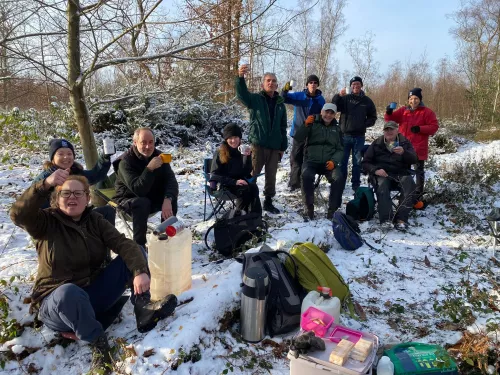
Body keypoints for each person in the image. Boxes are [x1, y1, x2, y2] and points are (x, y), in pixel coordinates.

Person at [10, 175, 177, 374]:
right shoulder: (45, 222)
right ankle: (99, 346)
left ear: (87, 198)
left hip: (91, 294)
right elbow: (18, 215)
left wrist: (139, 272)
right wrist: (44, 185)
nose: (72, 197)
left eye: (78, 193)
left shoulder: (95, 220)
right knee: (69, 294)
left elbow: (123, 244)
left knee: (135, 251)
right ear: (57, 197)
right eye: (66, 193)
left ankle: (143, 309)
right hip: (57, 304)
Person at [113, 127, 179, 247]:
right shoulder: (125, 162)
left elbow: (171, 181)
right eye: (143, 142)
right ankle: (139, 246)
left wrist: (168, 199)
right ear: (135, 143)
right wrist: (149, 169)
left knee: (170, 198)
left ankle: (164, 237)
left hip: (150, 196)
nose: (148, 147)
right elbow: (139, 190)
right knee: (142, 202)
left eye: (151, 142)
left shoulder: (159, 156)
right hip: (127, 200)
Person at [235, 65, 288, 214]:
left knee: (271, 177)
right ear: (263, 84)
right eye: (268, 81)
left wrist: (283, 147)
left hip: (274, 147)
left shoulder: (280, 104)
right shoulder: (255, 99)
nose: (271, 83)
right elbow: (242, 95)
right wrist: (240, 77)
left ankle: (268, 201)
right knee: (252, 174)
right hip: (258, 145)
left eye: (273, 81)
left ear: (277, 85)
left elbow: (283, 127)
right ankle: (247, 201)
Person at [33, 138, 116, 224]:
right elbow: (32, 202)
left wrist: (105, 157)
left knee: (108, 211)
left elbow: (96, 175)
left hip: (79, 217)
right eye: (60, 154)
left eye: (69, 154)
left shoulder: (76, 172)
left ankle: (106, 237)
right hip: (57, 223)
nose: (66, 157)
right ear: (52, 159)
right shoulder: (45, 178)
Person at [385, 88, 439, 204]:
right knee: (404, 172)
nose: (413, 101)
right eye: (411, 98)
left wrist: (420, 128)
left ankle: (418, 196)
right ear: (408, 100)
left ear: (420, 99)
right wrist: (389, 112)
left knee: (419, 172)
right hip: (404, 148)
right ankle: (405, 194)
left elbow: (434, 127)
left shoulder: (427, 112)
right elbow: (390, 120)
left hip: (418, 148)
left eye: (416, 98)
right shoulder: (403, 111)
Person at [361, 121, 419, 230]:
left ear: (397, 130)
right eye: (386, 129)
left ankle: (401, 219)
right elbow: (365, 163)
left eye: (391, 129)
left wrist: (404, 153)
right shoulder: (377, 143)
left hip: (400, 173)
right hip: (382, 174)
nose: (389, 132)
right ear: (383, 131)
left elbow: (414, 159)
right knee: (382, 185)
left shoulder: (405, 143)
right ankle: (386, 219)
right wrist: (375, 170)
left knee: (409, 183)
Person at [294, 103, 344, 220]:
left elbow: (340, 149)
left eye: (331, 113)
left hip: (328, 163)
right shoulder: (312, 123)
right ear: (322, 112)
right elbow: (298, 138)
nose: (328, 115)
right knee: (306, 175)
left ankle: (333, 210)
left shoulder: (337, 129)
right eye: (326, 112)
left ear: (334, 115)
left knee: (339, 177)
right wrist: (305, 125)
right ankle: (308, 208)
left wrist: (334, 161)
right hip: (311, 161)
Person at [332, 76, 377, 192]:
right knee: (343, 161)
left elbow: (373, 117)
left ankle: (355, 184)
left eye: (358, 84)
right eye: (353, 84)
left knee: (357, 163)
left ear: (361, 86)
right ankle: (340, 183)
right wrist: (338, 95)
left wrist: (363, 124)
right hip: (344, 135)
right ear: (351, 86)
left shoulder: (367, 101)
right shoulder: (345, 98)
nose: (356, 86)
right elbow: (334, 107)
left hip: (359, 137)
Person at [281, 74, 326, 191]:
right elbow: (283, 98)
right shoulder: (299, 96)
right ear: (307, 85)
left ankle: (305, 182)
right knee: (295, 158)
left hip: (312, 134)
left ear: (317, 85)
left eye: (315, 83)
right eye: (311, 82)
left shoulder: (320, 99)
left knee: (308, 159)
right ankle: (294, 184)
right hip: (298, 132)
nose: (313, 84)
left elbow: (323, 115)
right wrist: (285, 90)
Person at [209, 124, 262, 214]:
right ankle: (240, 219)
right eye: (230, 138)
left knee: (253, 187)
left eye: (236, 137)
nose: (233, 141)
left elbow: (246, 172)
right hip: (225, 185)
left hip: (240, 182)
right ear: (226, 139)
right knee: (244, 190)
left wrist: (247, 157)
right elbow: (214, 176)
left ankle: (255, 219)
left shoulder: (241, 150)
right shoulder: (219, 153)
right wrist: (235, 182)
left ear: (240, 138)